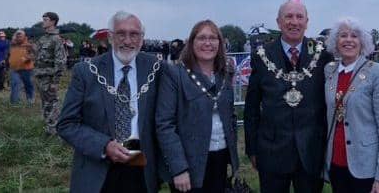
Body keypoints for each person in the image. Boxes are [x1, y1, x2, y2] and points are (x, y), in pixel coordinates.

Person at [57, 11, 165, 193]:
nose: (128, 41)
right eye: (121, 34)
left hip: (143, 171)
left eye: (134, 35)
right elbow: (67, 124)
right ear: (110, 37)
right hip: (98, 170)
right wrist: (104, 146)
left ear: (142, 39)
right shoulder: (86, 71)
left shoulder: (155, 68)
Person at [244, 0, 332, 193]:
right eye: (288, 16)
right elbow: (251, 107)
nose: (294, 22)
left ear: (307, 22)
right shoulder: (262, 54)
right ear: (278, 21)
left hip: (311, 151)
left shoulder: (323, 54)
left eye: (299, 17)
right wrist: (252, 148)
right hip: (271, 151)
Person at [156, 20, 239, 192]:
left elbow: (230, 115)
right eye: (201, 38)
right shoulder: (175, 74)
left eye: (213, 38)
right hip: (189, 163)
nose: (207, 43)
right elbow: (165, 125)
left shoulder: (225, 74)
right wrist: (178, 168)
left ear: (220, 43)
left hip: (220, 158)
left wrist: (233, 157)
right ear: (191, 42)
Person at [324, 18, 379, 193]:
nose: (348, 40)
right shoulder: (329, 70)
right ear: (336, 42)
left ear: (362, 42)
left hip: (366, 166)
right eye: (343, 35)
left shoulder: (377, 72)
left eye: (354, 36)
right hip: (335, 163)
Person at [34, 12, 67, 135]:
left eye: (46, 19)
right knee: (45, 103)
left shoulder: (56, 39)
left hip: (49, 77)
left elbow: (60, 62)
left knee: (52, 103)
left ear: (53, 22)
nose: (43, 22)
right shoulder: (44, 38)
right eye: (43, 19)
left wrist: (55, 81)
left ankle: (55, 129)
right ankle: (49, 127)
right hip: (41, 75)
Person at [8, 30, 36, 105]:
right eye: (17, 36)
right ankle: (14, 102)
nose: (18, 37)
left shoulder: (29, 45)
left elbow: (36, 54)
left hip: (27, 69)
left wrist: (28, 58)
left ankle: (30, 100)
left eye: (20, 36)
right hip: (14, 69)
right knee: (15, 84)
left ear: (25, 37)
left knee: (28, 85)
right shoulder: (13, 44)